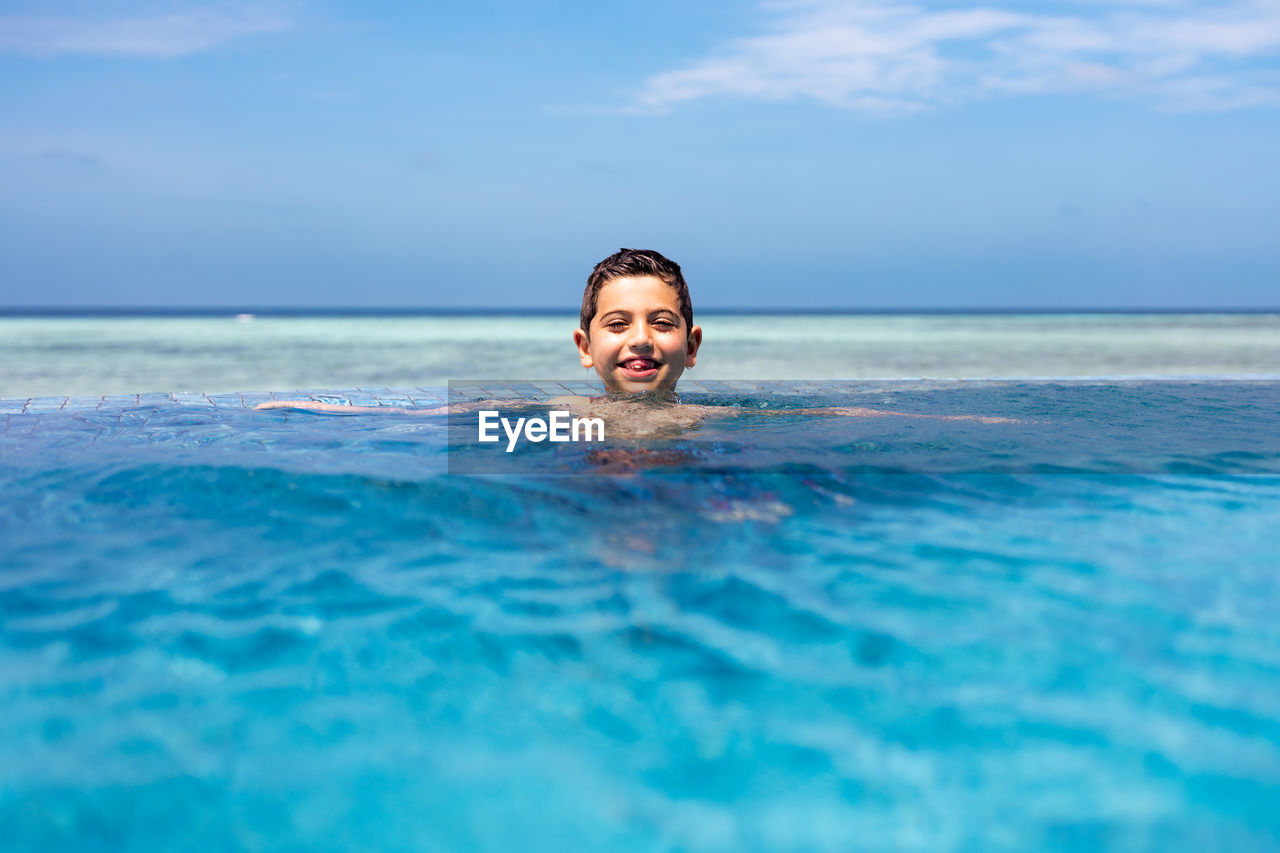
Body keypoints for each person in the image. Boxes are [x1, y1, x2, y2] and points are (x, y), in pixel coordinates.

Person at [257, 248, 1016, 432]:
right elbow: (430, 418)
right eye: (617, 324)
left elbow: (830, 417)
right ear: (584, 346)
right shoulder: (558, 413)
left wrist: (969, 418)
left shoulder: (714, 417)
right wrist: (319, 406)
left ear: (693, 342)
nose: (640, 339)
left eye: (660, 322)